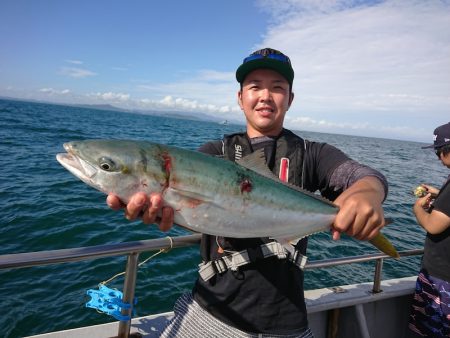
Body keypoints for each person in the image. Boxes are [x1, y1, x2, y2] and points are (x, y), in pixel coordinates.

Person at [107, 48, 389, 338]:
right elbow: (182, 205)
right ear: (240, 98)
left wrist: (366, 194)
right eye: (255, 86)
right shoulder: (213, 155)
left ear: (290, 100)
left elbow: (364, 176)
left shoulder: (313, 154)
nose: (265, 95)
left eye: (277, 88)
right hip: (209, 311)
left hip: (287, 322)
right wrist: (156, 210)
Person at [408, 122, 450, 338]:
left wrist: (418, 209)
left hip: (441, 279)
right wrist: (439, 194)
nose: (438, 157)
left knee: (428, 332)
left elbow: (434, 226)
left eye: (438, 151)